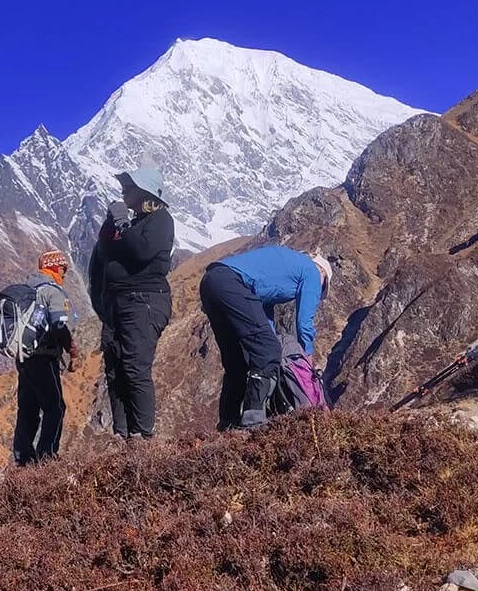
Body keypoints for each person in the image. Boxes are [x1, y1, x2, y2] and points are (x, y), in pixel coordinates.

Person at [199, 245, 333, 430]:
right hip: (231, 283)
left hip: (211, 282)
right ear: (322, 272)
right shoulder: (311, 271)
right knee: (268, 353)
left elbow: (262, 318)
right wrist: (307, 355)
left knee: (237, 362)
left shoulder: (284, 270)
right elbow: (304, 322)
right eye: (323, 286)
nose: (319, 291)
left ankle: (228, 424)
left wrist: (269, 344)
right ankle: (252, 421)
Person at [87, 158, 174, 442]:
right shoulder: (131, 224)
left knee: (135, 367)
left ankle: (143, 437)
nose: (124, 190)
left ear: (145, 192)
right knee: (115, 370)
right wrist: (112, 223)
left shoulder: (160, 221)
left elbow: (141, 251)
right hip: (117, 304)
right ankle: (122, 434)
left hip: (144, 302)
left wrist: (123, 223)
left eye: (130, 186)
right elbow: (102, 252)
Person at [12, 250, 81, 466]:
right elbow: (59, 324)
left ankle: (23, 457)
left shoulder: (27, 290)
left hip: (23, 356)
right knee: (55, 407)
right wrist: (71, 349)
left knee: (28, 408)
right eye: (63, 268)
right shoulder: (53, 291)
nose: (65, 273)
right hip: (43, 356)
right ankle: (47, 456)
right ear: (55, 268)